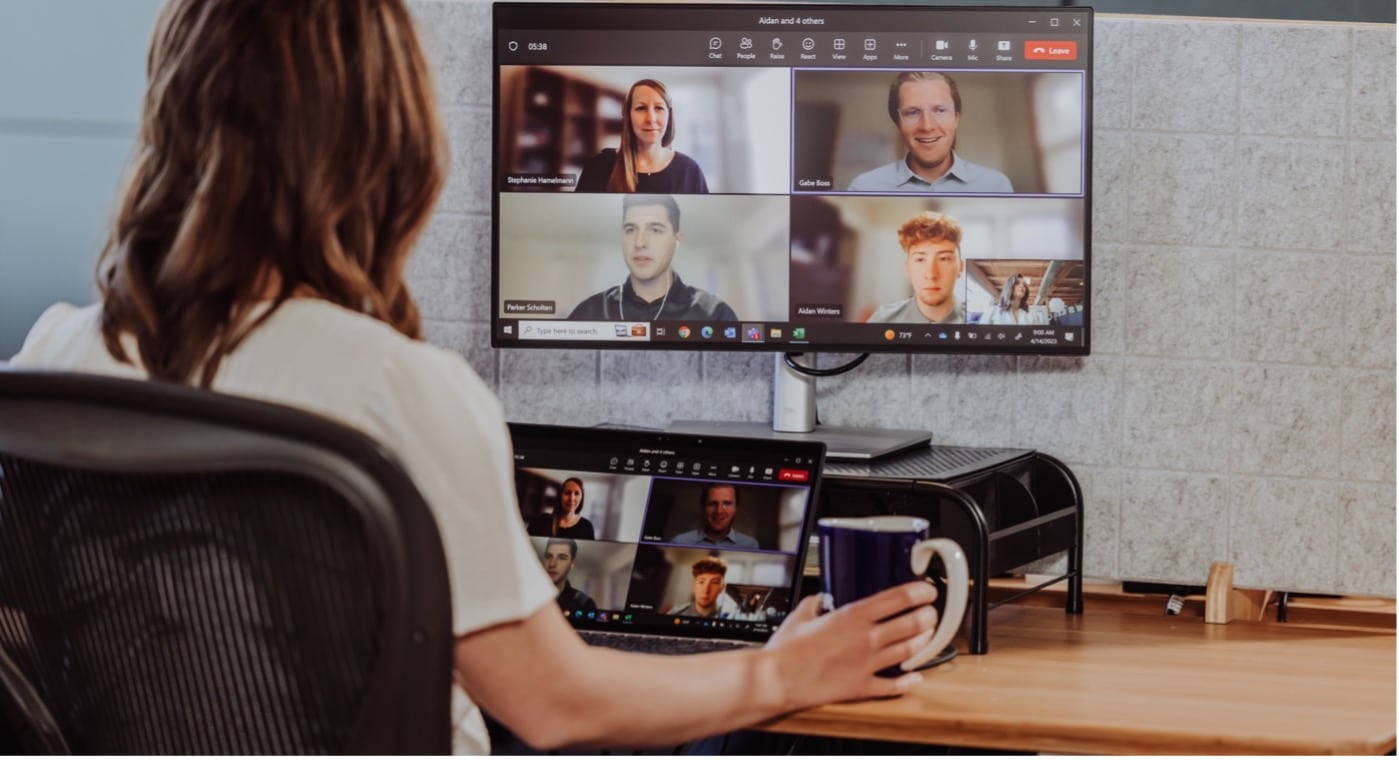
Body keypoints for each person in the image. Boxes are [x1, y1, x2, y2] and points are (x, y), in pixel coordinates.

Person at [8, 0, 943, 753]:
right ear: (386, 147)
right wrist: (782, 672)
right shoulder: (399, 387)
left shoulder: (51, 361)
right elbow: (553, 705)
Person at [567, 194, 738, 322]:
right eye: (631, 230)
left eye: (655, 230)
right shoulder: (589, 311)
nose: (640, 243)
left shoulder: (714, 313)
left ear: (677, 241)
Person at [847, 71, 1013, 193]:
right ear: (898, 123)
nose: (927, 126)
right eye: (912, 112)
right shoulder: (863, 187)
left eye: (940, 110)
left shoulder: (996, 185)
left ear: (956, 118)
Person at [574, 79, 709, 194]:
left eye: (659, 108)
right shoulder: (598, 167)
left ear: (669, 115)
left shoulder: (689, 171)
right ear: (628, 116)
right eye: (641, 108)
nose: (651, 119)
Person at [867, 211, 967, 324]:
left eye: (944, 258)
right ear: (908, 268)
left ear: (961, 267)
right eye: (920, 259)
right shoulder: (883, 320)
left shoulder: (983, 321)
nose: (931, 274)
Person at [669, 485, 759, 549]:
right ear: (704, 507)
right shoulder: (680, 541)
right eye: (712, 504)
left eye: (727, 504)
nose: (719, 511)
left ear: (735, 509)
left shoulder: (750, 545)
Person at [526, 477, 595, 539]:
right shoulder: (542, 520)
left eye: (577, 493)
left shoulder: (586, 527)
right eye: (567, 493)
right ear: (560, 497)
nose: (572, 498)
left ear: (581, 498)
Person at [671, 557, 741, 619]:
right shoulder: (675, 614)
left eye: (714, 582)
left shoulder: (730, 617)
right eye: (701, 582)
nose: (706, 590)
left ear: (721, 588)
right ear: (693, 586)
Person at [541, 538, 597, 613]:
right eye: (548, 556)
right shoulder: (527, 596)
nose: (552, 564)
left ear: (572, 564)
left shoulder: (584, 603)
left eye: (562, 557)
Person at [982, 273, 1047, 326]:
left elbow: (1037, 335)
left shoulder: (1032, 313)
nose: (1022, 286)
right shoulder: (993, 311)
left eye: (1024, 285)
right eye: (1017, 283)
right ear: (1009, 287)